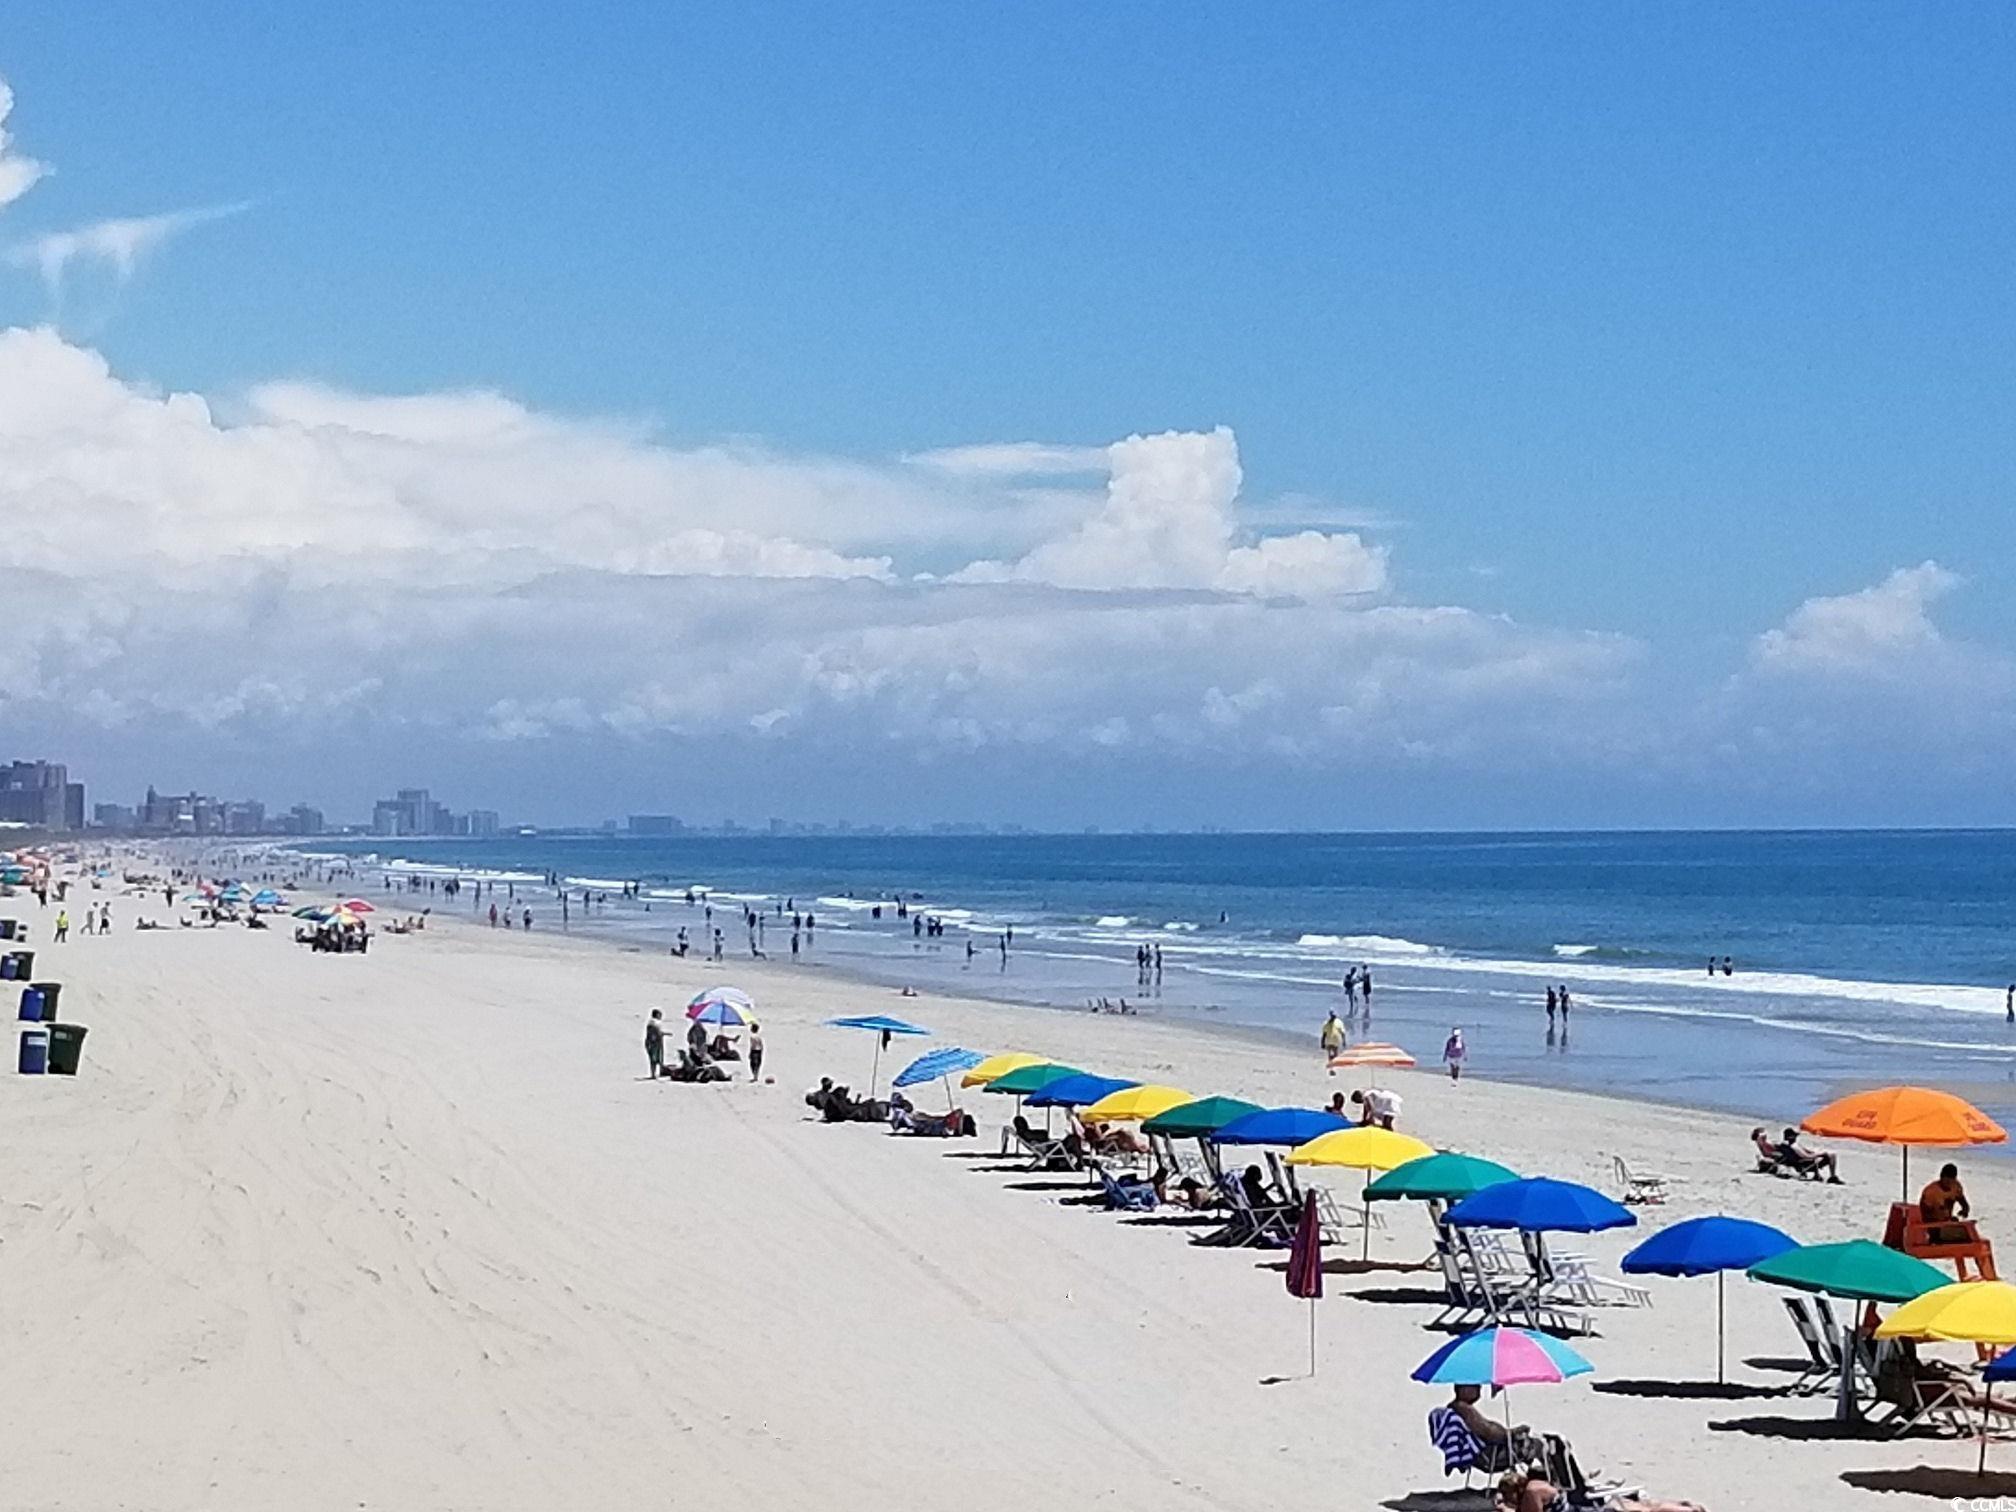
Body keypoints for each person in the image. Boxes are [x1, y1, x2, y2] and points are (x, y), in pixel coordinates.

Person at [1920, 1162, 1972, 1242]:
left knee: (1970, 1233)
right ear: (1941, 1177)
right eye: (1946, 1180)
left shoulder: (1956, 1187)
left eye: (1951, 1180)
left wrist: (1964, 1211)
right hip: (1933, 1227)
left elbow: (1964, 1203)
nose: (1948, 1183)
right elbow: (1925, 1215)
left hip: (1947, 1224)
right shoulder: (1930, 1192)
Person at [644, 1009, 664, 1079]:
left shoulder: (652, 1023)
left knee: (654, 1059)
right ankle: (654, 1074)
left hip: (653, 1042)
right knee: (654, 1059)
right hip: (654, 1043)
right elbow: (656, 1033)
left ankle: (654, 1073)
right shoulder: (654, 1023)